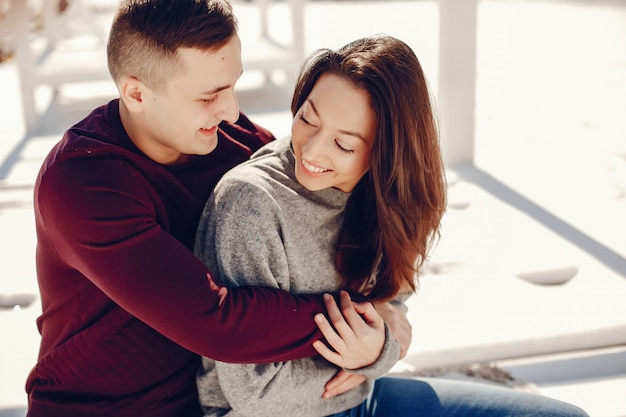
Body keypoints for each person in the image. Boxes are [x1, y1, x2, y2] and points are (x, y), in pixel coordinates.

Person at [25, 1, 401, 416]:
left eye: (232, 85)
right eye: (209, 96)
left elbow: (325, 222)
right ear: (136, 93)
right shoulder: (83, 182)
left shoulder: (238, 142)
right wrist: (358, 324)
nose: (232, 110)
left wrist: (388, 316)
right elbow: (216, 319)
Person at [194, 35, 590, 417]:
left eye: (344, 144)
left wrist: (378, 347)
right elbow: (255, 392)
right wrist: (378, 355)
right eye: (307, 119)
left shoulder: (392, 197)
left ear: (386, 151)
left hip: (356, 399)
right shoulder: (251, 204)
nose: (312, 150)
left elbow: (391, 302)